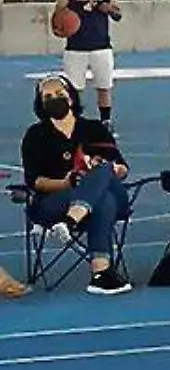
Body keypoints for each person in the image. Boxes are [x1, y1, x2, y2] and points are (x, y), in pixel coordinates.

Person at [20, 76, 133, 295]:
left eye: (59, 94)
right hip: (58, 199)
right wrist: (65, 182)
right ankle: (101, 273)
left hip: (103, 189)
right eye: (48, 96)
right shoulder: (35, 135)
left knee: (103, 169)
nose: (55, 98)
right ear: (41, 103)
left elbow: (122, 167)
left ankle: (72, 220)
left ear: (71, 97)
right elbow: (35, 181)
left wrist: (113, 170)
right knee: (103, 200)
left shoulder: (94, 128)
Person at [51, 0, 122, 125]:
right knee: (74, 89)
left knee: (104, 86)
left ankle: (105, 121)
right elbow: (58, 13)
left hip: (101, 45)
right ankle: (74, 121)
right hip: (76, 47)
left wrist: (107, 8)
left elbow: (118, 13)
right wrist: (59, 27)